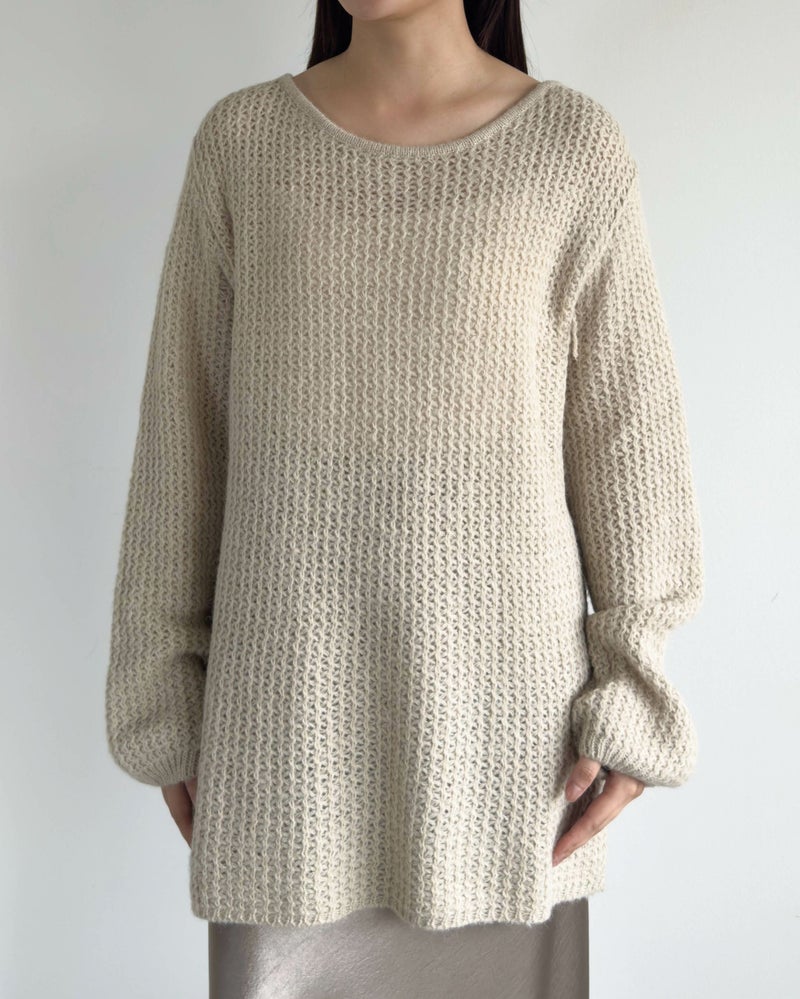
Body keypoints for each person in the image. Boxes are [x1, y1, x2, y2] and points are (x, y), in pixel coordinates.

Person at [105, 2, 705, 997]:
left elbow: (628, 442)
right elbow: (184, 435)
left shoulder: (571, 150)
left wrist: (636, 698)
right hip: (285, 748)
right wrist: (161, 690)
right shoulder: (244, 145)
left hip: (508, 767)